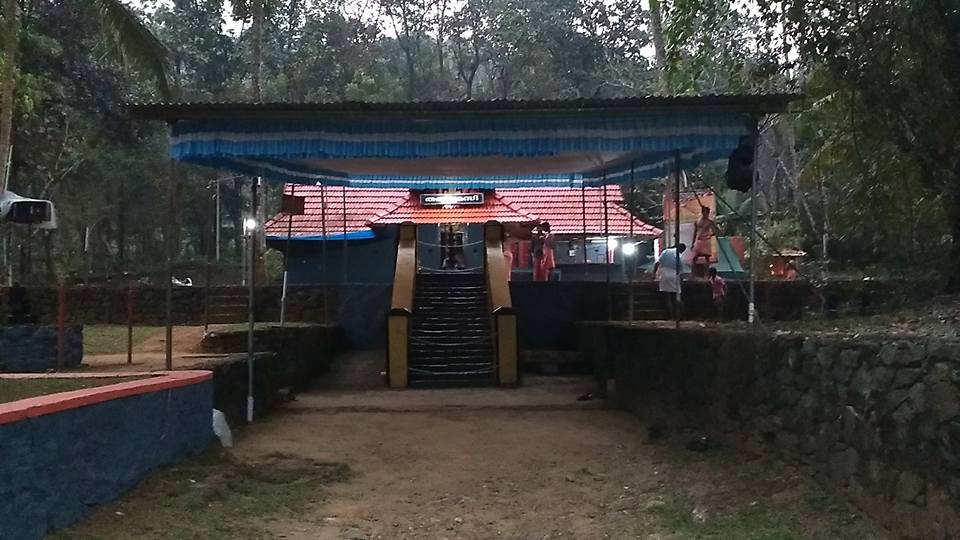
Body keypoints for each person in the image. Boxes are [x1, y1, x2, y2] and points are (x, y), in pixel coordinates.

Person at [653, 243, 686, 319]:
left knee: (667, 298)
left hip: (664, 274)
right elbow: (681, 271)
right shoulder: (680, 256)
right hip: (675, 275)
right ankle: (682, 315)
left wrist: (653, 274)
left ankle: (671, 316)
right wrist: (681, 281)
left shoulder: (666, 251)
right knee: (677, 297)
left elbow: (657, 263)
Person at [691, 206, 719, 278]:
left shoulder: (710, 222)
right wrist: (693, 243)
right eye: (706, 212)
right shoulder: (697, 221)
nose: (707, 214)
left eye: (708, 213)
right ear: (703, 212)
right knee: (695, 257)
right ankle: (693, 273)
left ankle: (706, 274)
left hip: (706, 240)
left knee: (707, 258)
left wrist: (711, 235)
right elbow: (695, 232)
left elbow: (715, 230)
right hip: (699, 240)